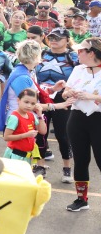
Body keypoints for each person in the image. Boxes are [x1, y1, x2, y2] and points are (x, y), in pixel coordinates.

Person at [62, 36, 101, 212]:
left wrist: (93, 97)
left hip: (98, 120)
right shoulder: (78, 69)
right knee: (80, 160)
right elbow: (65, 92)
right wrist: (68, 93)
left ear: (91, 53)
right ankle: (81, 199)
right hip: (77, 118)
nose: (77, 53)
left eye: (80, 50)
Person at [37, 28, 79, 182]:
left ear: (67, 40)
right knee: (41, 133)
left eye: (58, 38)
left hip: (62, 99)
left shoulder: (74, 57)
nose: (54, 40)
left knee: (63, 135)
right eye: (51, 37)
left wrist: (70, 90)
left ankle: (67, 168)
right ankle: (40, 166)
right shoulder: (41, 53)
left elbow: (82, 75)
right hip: (41, 97)